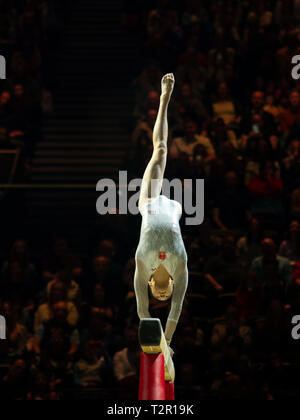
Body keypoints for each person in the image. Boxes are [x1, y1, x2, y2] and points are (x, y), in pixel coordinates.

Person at [134, 74, 189, 347]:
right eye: (168, 294)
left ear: (152, 287)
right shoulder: (180, 268)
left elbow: (143, 312)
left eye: (160, 295)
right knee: (164, 151)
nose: (165, 293)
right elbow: (176, 309)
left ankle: (164, 98)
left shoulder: (142, 265)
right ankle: (166, 99)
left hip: (151, 202)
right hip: (174, 210)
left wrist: (160, 342)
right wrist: (168, 342)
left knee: (161, 150)